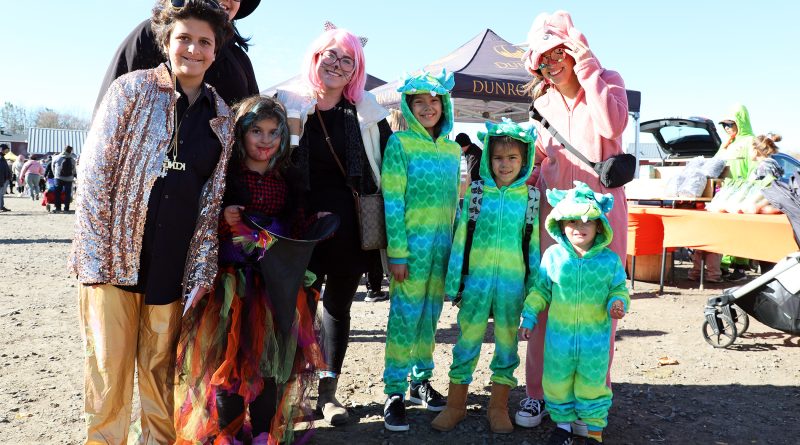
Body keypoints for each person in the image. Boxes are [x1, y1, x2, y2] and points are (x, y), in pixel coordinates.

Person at [68, 1, 234, 443]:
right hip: (112, 266)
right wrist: (94, 261)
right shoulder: (131, 90)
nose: (193, 50)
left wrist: (201, 271)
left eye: (205, 42)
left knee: (162, 377)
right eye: (184, 38)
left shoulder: (222, 118)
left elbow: (211, 202)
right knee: (108, 376)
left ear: (216, 52)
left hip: (172, 271)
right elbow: (94, 178)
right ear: (166, 41)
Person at [175, 95, 325, 445]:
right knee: (229, 365)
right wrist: (224, 220)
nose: (266, 140)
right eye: (256, 130)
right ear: (241, 133)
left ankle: (262, 433)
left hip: (277, 288)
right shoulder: (225, 175)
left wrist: (310, 225)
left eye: (274, 132)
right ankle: (229, 433)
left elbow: (296, 226)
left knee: (272, 366)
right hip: (233, 290)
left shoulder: (288, 178)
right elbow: (200, 226)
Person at [517, 10, 629, 434]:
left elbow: (612, 125)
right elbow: (539, 158)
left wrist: (588, 68)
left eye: (559, 52)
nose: (551, 63)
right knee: (547, 298)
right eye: (543, 58)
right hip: (555, 218)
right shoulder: (541, 104)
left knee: (601, 306)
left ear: (574, 49)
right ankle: (539, 392)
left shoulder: (607, 80)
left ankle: (590, 400)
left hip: (603, 216)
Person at [275, 25, 392, 426]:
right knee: (293, 309)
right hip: (297, 226)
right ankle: (289, 393)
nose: (337, 65)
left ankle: (328, 394)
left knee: (337, 308)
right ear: (315, 57)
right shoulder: (287, 104)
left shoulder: (366, 113)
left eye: (348, 60)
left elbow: (389, 167)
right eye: (331, 56)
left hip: (350, 229)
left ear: (355, 70)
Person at [431, 119, 540, 434]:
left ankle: (498, 407)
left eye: (512, 158)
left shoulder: (530, 198)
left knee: (507, 346)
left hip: (512, 286)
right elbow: (461, 237)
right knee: (466, 341)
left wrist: (533, 292)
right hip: (476, 282)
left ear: (525, 160)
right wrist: (455, 282)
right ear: (488, 158)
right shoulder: (477, 192)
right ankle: (455, 405)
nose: (504, 164)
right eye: (498, 158)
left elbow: (532, 247)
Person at [380, 70, 461, 432]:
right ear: (408, 107)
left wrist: (457, 252)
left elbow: (456, 208)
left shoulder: (452, 148)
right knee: (404, 319)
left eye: (434, 102)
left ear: (444, 105)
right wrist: (397, 252)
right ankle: (394, 390)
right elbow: (392, 201)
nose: (428, 108)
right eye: (419, 102)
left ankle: (420, 381)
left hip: (442, 250)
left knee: (430, 317)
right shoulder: (399, 145)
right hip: (410, 250)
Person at [520, 181, 629, 445]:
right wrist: (530, 315)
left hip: (595, 340)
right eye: (570, 221)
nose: (579, 228)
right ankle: (564, 427)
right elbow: (541, 290)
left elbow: (619, 288)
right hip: (559, 338)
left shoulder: (609, 261)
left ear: (599, 225)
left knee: (592, 382)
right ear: (559, 224)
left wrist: (618, 302)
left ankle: (593, 431)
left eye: (586, 222)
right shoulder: (553, 257)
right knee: (557, 380)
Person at [94, 0, 260, 110]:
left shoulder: (239, 59)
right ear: (166, 42)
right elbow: (109, 113)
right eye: (184, 39)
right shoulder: (149, 36)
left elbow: (255, 124)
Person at [714, 105, 755, 281]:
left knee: (741, 231)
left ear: (741, 122)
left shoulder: (751, 141)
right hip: (726, 192)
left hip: (743, 192)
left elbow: (756, 167)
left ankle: (740, 267)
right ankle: (722, 265)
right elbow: (716, 164)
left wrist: (750, 189)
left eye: (730, 124)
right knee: (724, 230)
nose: (727, 128)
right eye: (724, 125)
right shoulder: (727, 144)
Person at [50, 146, 77, 213]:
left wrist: (55, 175)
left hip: (58, 178)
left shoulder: (57, 158)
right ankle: (66, 208)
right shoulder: (72, 159)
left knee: (57, 193)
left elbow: (52, 167)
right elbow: (74, 170)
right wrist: (73, 176)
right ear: (71, 151)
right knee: (68, 193)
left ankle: (58, 208)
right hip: (69, 179)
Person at [0, 144, 11, 212]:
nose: (7, 151)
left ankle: (1, 206)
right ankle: (1, 207)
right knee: (0, 193)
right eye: (7, 149)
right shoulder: (1, 157)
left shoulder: (2, 157)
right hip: (2, 178)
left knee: (1, 194)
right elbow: (1, 169)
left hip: (4, 178)